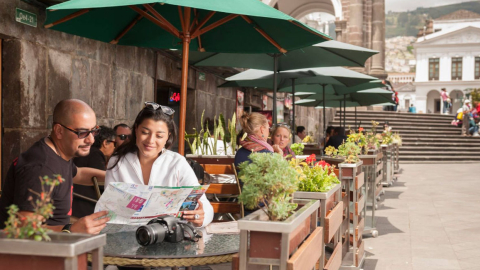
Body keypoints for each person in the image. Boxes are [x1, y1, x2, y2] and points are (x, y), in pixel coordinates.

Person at [0, 99, 109, 234]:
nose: (91, 140)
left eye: (94, 131)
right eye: (82, 132)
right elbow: (23, 230)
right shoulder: (41, 168)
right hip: (34, 253)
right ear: (59, 131)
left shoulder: (58, 154)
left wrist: (115, 179)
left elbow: (78, 174)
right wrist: (71, 230)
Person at [105, 102, 213, 227]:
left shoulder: (177, 163)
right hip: (126, 235)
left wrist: (199, 217)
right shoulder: (118, 162)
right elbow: (109, 206)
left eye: (159, 136)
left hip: (169, 237)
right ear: (136, 130)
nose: (150, 141)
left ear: (168, 137)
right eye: (145, 132)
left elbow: (205, 207)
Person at [72, 126, 116, 218]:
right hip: (85, 205)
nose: (115, 147)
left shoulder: (86, 152)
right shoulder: (95, 154)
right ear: (105, 143)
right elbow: (101, 184)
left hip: (76, 202)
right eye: (114, 143)